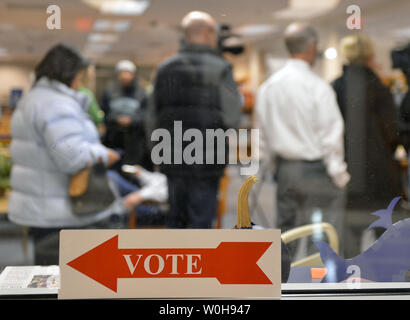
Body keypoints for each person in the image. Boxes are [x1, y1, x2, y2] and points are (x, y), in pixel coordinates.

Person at [9, 43, 121, 265]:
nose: (80, 83)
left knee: (51, 279)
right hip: (61, 210)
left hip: (43, 206)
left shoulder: (34, 99)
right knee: (70, 281)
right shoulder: (55, 104)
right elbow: (71, 157)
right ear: (69, 73)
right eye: (80, 76)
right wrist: (103, 153)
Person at [254, 23, 350, 259]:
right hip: (317, 170)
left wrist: (269, 167)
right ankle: (318, 288)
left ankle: (283, 286)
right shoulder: (317, 87)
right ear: (312, 47)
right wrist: (339, 174)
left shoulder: (268, 88)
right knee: (322, 234)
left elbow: (261, 134)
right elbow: (331, 135)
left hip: (286, 170)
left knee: (287, 232)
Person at [149, 11, 242, 229]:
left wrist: (157, 152)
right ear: (210, 34)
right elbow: (232, 117)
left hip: (171, 156)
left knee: (175, 217)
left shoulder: (164, 69)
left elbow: (152, 116)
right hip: (207, 158)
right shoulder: (221, 68)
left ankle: (175, 262)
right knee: (201, 220)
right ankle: (199, 263)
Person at [332, 34, 403, 257]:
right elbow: (392, 131)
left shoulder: (335, 87)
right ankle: (386, 286)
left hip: (348, 172)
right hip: (380, 171)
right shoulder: (379, 87)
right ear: (370, 55)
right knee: (385, 234)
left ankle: (350, 284)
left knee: (350, 235)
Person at [100, 60, 152, 171]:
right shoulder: (109, 92)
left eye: (127, 73)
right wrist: (116, 119)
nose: (125, 77)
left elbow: (146, 115)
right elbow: (104, 113)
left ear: (133, 75)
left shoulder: (141, 93)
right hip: (113, 140)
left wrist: (132, 121)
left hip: (135, 143)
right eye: (122, 74)